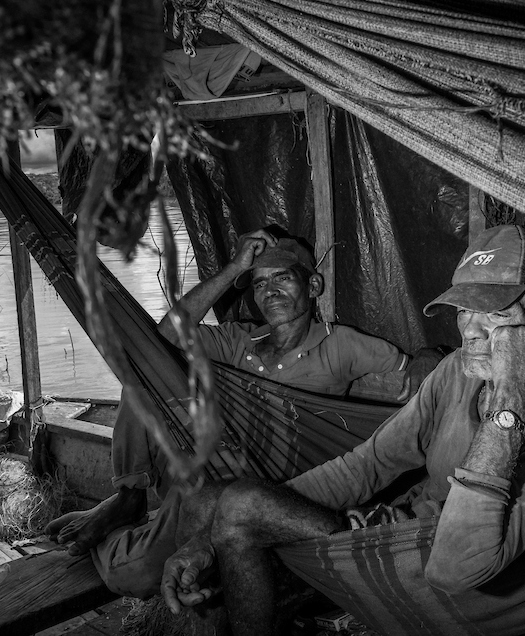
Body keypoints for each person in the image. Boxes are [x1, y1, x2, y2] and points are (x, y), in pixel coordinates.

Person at [158, 224, 525, 635]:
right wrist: (214, 535)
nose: (470, 330)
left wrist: (511, 394)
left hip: (443, 578)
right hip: (388, 534)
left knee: (240, 507)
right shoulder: (456, 372)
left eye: (494, 312)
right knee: (209, 503)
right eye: (463, 310)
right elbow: (370, 463)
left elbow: (458, 566)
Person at [46, 227, 441, 574]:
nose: (270, 291)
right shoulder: (238, 340)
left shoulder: (342, 345)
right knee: (144, 374)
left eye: (283, 278)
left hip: (273, 490)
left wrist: (429, 354)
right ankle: (129, 496)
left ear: (313, 287)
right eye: (259, 283)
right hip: (213, 470)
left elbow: (422, 376)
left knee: (133, 571)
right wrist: (234, 268)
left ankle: (111, 537)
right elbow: (163, 340)